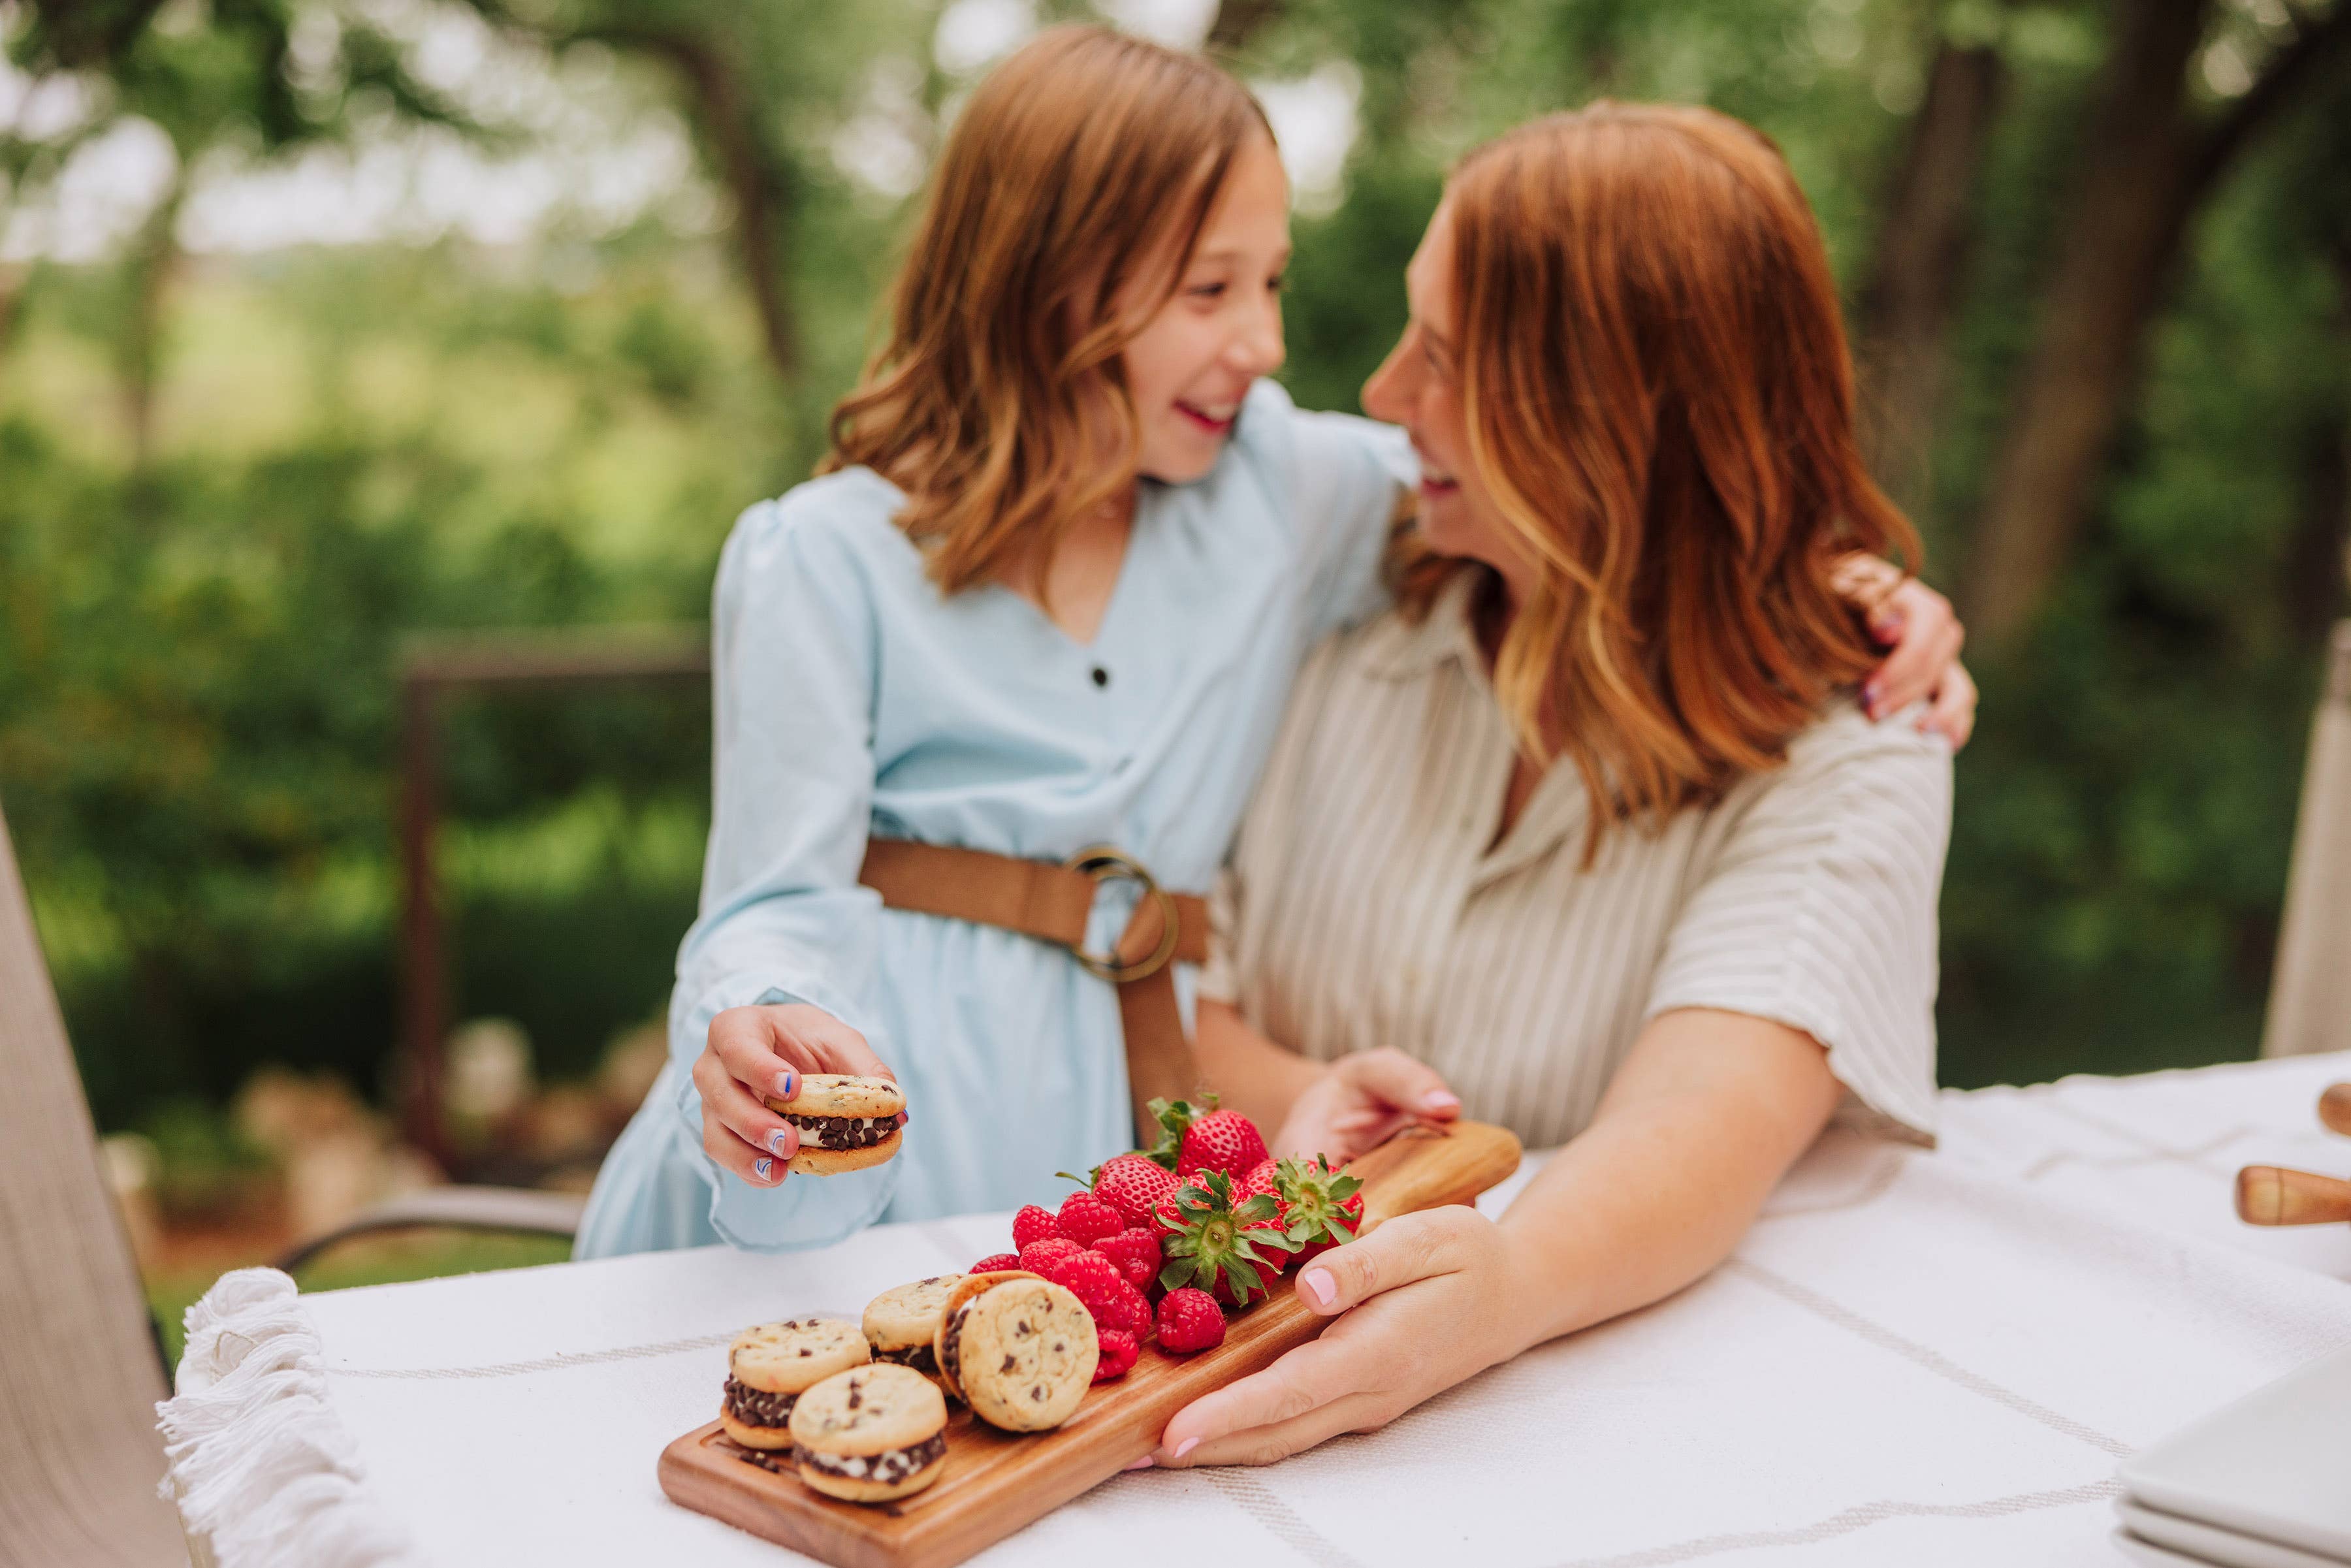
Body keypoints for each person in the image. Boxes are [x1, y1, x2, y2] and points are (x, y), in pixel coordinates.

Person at [575, 32, 1972, 1260]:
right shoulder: (823, 555)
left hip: (1095, 1129)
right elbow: (770, 896)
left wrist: (1831, 580)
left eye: (1274, 282)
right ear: (1048, 289)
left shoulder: (1279, 494)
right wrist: (762, 1022)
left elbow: (1591, 496)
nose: (1266, 343)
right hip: (889, 1077)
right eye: (1208, 291)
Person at [1153, 103, 1959, 1467]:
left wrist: (1502, 1286)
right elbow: (1181, 993)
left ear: (1624, 413)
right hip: (1235, 1355)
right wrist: (1302, 1112)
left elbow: (1705, 1113)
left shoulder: (1858, 736)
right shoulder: (1344, 612)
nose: (1391, 392)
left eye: (1450, 358)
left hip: (1598, 1449)